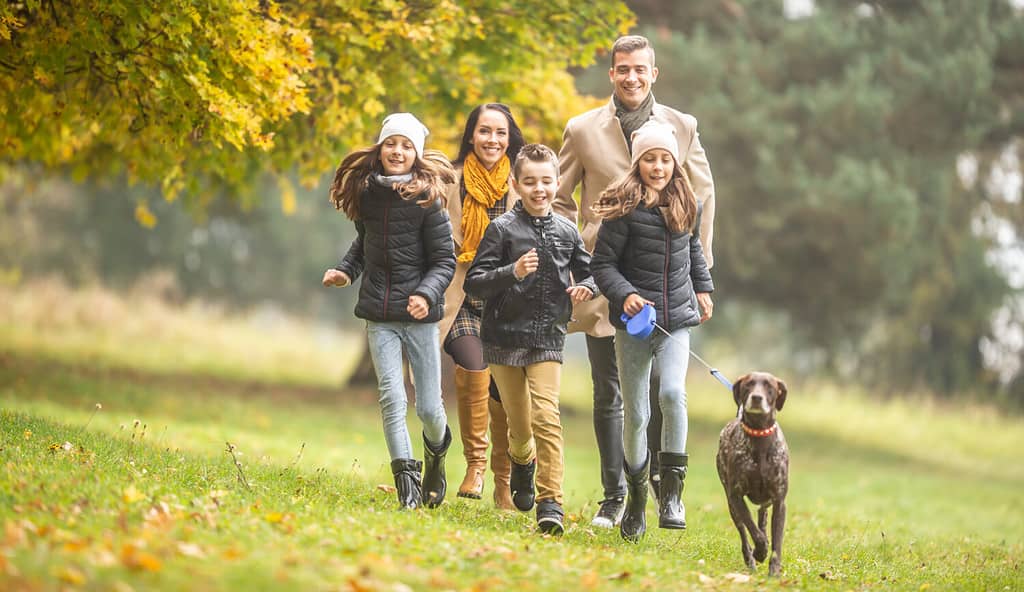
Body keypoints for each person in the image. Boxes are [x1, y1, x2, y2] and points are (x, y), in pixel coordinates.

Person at [553, 34, 716, 528]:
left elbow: (701, 198)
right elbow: (559, 200)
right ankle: (614, 497)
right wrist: (574, 261)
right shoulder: (582, 130)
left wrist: (699, 275)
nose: (631, 77)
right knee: (611, 392)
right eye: (622, 68)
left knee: (664, 392)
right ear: (612, 73)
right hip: (604, 276)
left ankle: (665, 492)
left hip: (667, 284)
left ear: (653, 73)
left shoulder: (681, 127)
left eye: (640, 69)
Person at [322, 112, 457, 510]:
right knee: (391, 399)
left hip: (418, 318)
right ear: (380, 149)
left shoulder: (427, 201)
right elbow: (363, 245)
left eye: (406, 145)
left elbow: (444, 261)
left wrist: (426, 295)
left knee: (430, 408)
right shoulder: (368, 194)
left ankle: (435, 458)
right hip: (379, 317)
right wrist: (345, 272)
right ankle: (408, 490)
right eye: (391, 143)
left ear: (417, 153)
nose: (397, 150)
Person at [590, 120, 714, 542]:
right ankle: (638, 501)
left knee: (673, 394)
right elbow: (601, 266)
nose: (658, 166)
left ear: (675, 162)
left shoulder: (686, 202)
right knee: (638, 412)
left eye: (665, 158)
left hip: (677, 317)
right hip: (635, 324)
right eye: (650, 159)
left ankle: (673, 494)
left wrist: (703, 287)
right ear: (637, 162)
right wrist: (624, 295)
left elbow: (693, 248)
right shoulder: (624, 210)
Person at [464, 144, 597, 534]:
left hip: (547, 337)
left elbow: (588, 272)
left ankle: (550, 502)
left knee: (547, 416)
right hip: (504, 338)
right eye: (530, 182)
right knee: (519, 428)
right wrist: (513, 270)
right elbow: (475, 282)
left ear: (558, 183)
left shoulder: (567, 231)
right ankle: (523, 461)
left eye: (546, 181)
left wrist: (585, 287)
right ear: (515, 184)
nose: (539, 189)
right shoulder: (502, 229)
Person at [438, 103, 525, 509]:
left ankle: (504, 483)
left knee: (504, 390)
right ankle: (475, 466)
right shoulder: (448, 181)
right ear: (471, 135)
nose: (492, 140)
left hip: (506, 303)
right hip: (460, 300)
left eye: (500, 133)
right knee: (473, 365)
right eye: (485, 131)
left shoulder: (522, 187)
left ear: (510, 139)